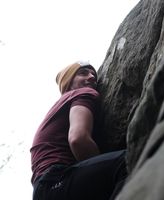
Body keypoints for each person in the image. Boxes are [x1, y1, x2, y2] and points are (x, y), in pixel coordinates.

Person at [30, 61, 127, 200]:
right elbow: (78, 139)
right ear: (69, 82)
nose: (92, 76)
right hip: (56, 179)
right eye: (83, 73)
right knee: (129, 160)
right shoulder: (83, 93)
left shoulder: (59, 107)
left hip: (46, 188)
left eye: (93, 74)